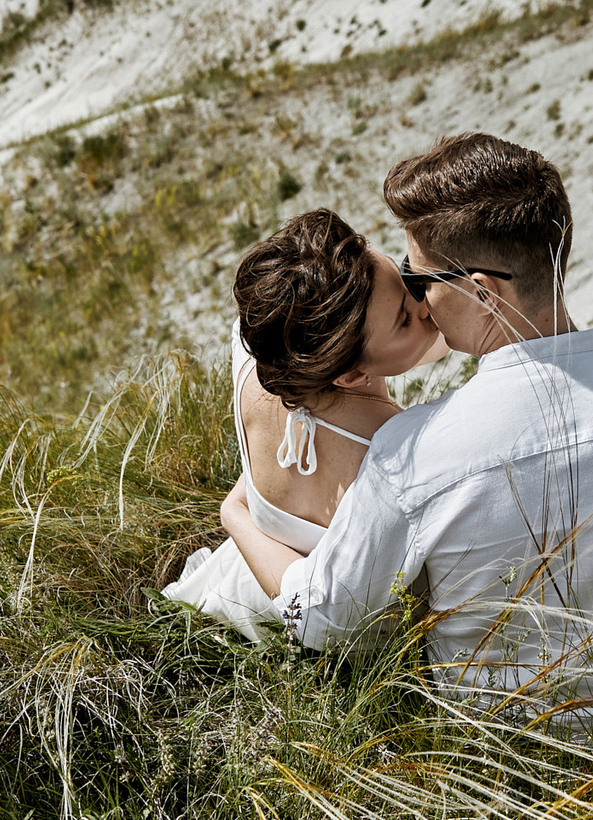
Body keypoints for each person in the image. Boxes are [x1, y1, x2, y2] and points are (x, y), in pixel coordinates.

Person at [222, 133, 593, 707]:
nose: (417, 297)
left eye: (419, 277)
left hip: (503, 743)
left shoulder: (407, 456)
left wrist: (236, 515)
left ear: (485, 293)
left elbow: (324, 621)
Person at [161, 209, 448, 639]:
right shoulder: (392, 452)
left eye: (404, 280)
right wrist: (232, 515)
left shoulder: (261, 348)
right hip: (345, 636)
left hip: (248, 586)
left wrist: (240, 506)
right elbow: (324, 616)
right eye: (404, 319)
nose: (423, 302)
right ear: (351, 376)